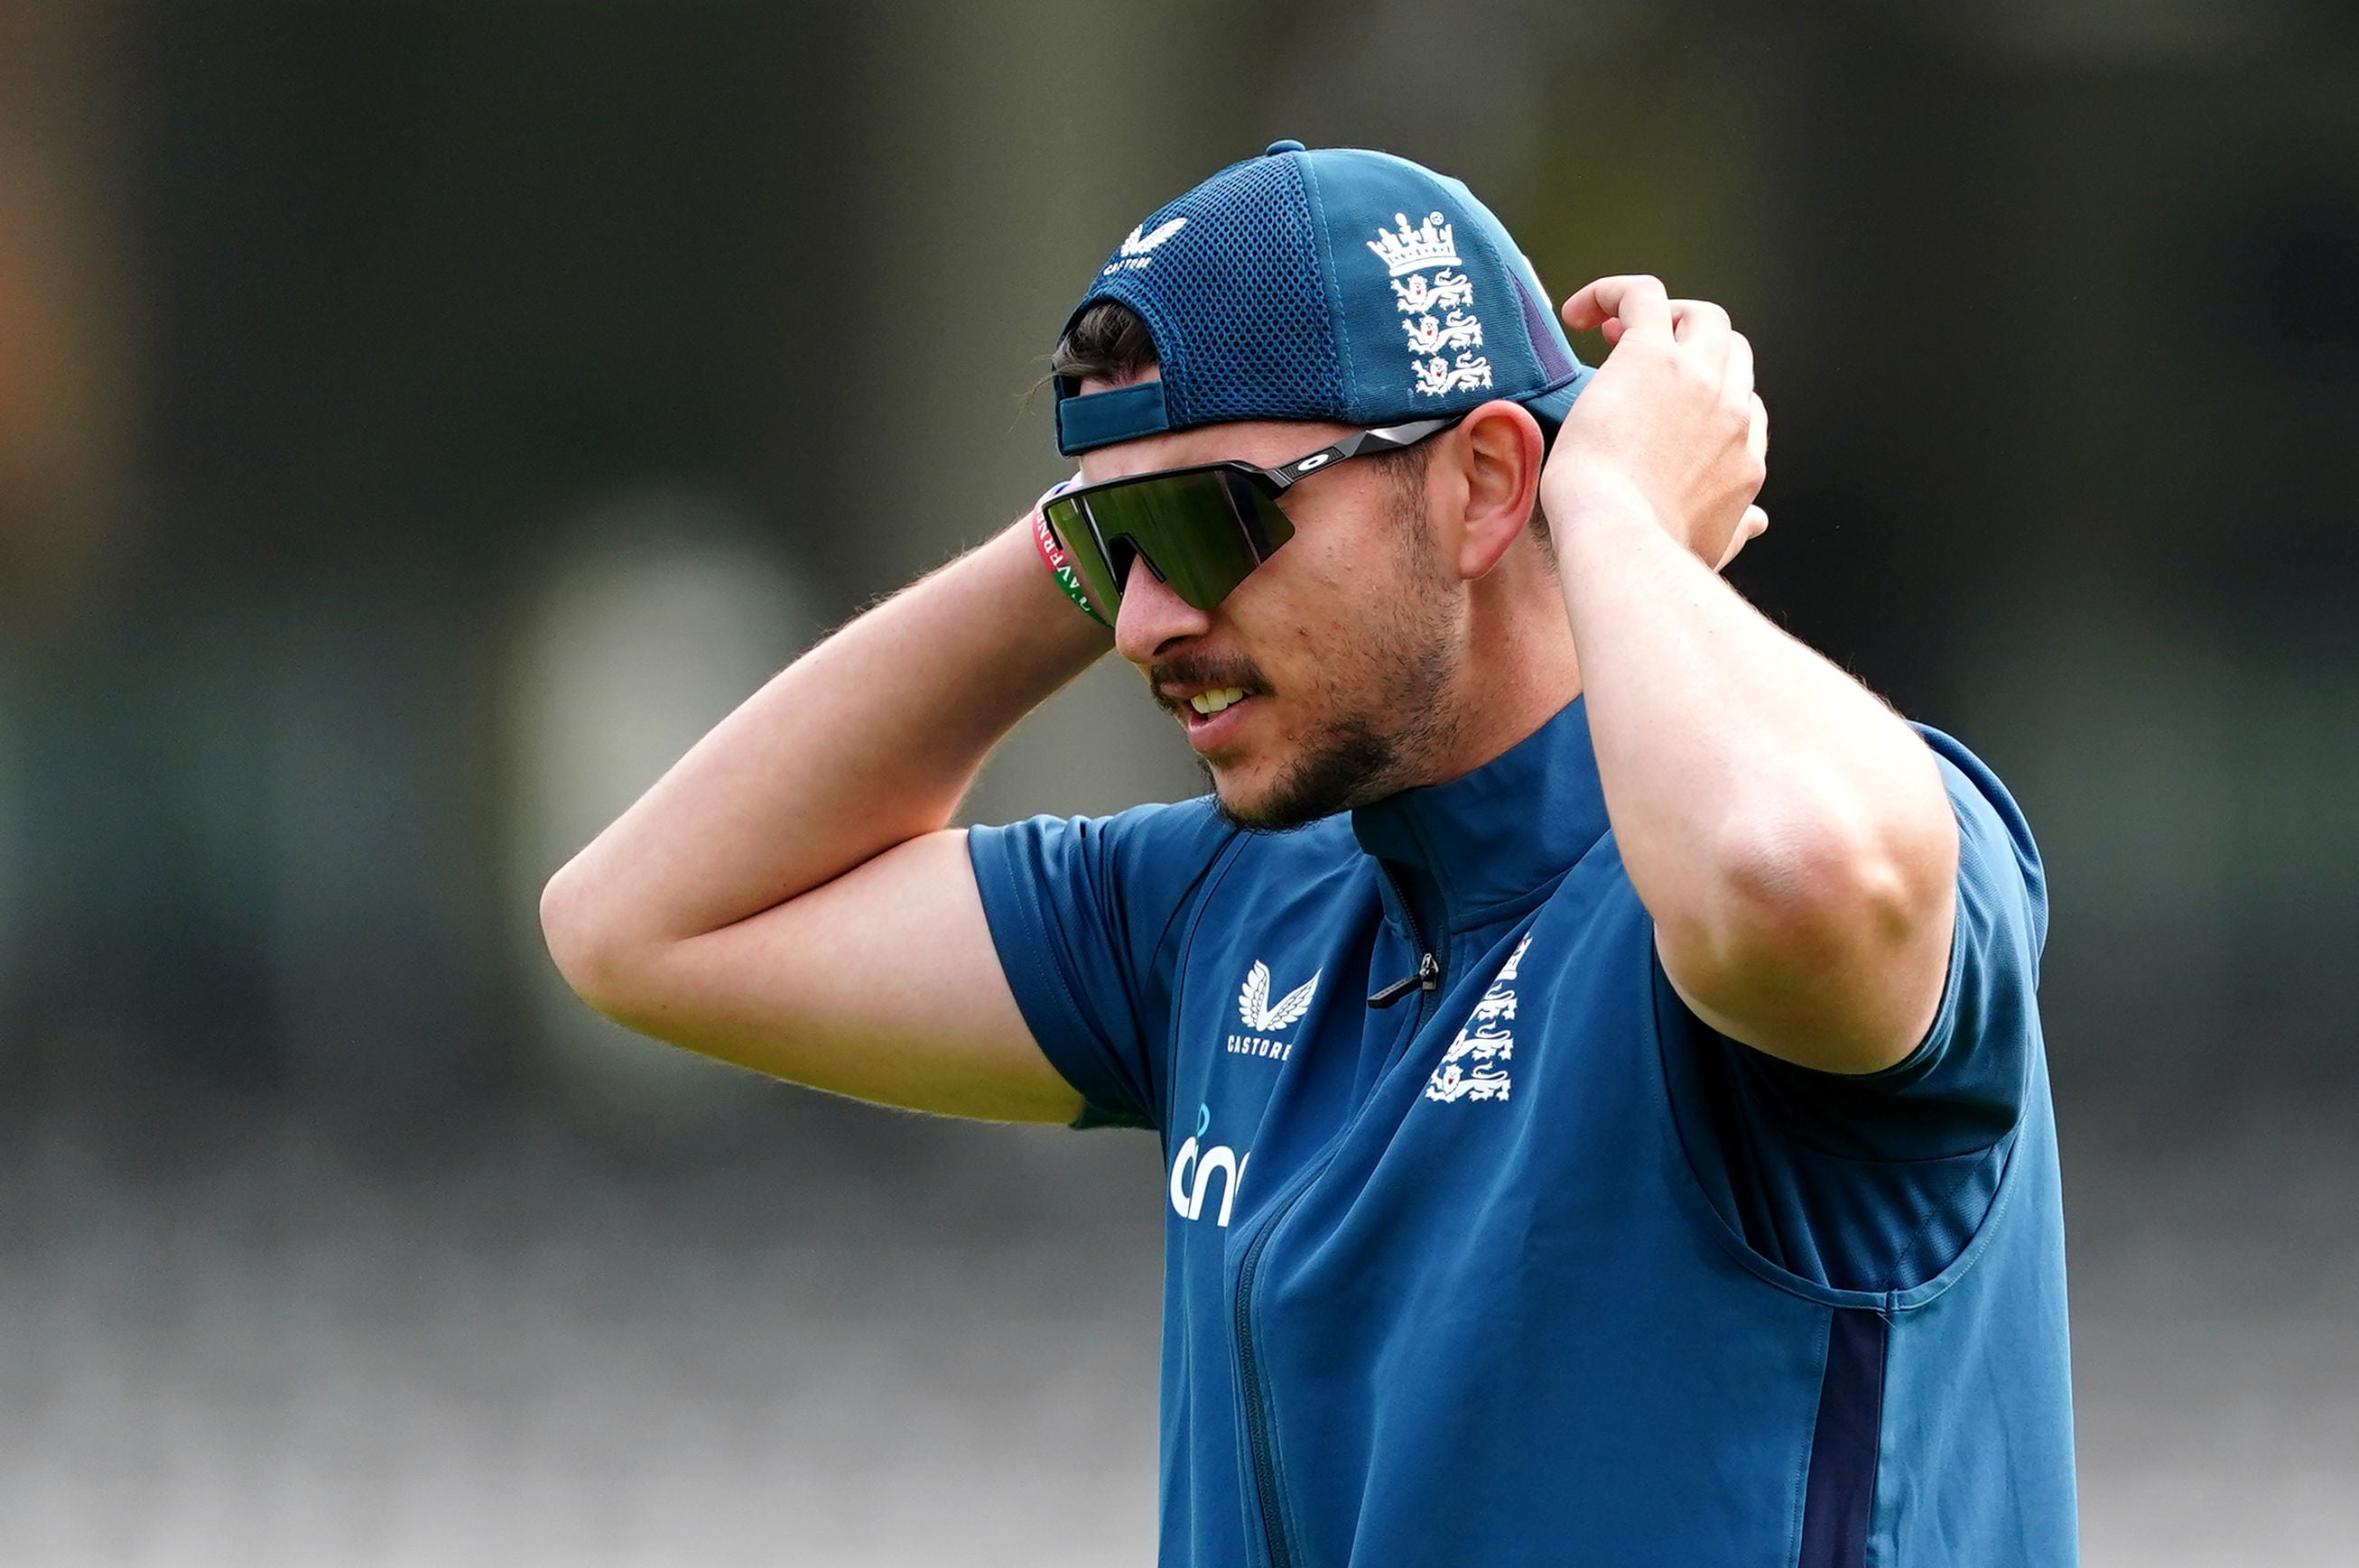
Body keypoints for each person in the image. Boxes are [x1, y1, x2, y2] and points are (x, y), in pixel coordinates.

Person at [540, 143, 2076, 1565]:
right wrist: (1104, 518)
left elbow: (1785, 871)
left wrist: (1610, 500)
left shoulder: (1844, 840)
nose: (1137, 624)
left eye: (1209, 527)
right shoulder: (1232, 900)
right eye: (1103, 559)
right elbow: (641, 924)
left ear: (1484, 484)